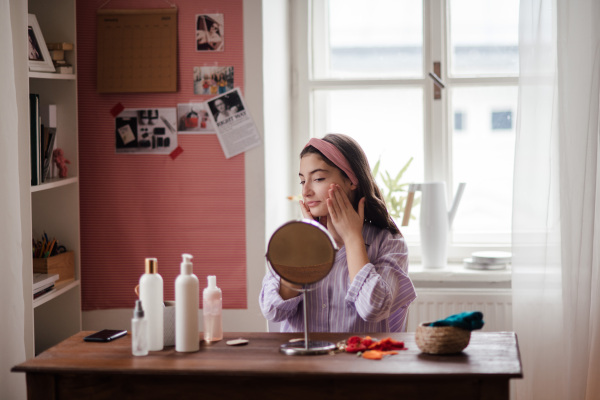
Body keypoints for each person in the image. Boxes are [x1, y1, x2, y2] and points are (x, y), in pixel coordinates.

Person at [259, 133, 416, 333]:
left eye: (318, 178)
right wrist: (305, 245)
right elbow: (273, 311)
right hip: (303, 363)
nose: (306, 191)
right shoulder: (292, 239)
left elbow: (373, 309)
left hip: (360, 362)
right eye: (302, 181)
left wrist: (352, 239)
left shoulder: (389, 242)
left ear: (352, 180)